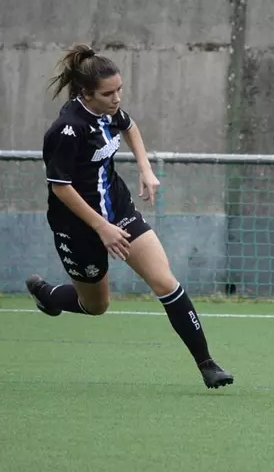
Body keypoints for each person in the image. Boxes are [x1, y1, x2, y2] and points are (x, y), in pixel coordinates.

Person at [25, 44, 234, 389]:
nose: (117, 98)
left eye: (120, 89)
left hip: (119, 211)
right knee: (96, 306)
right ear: (86, 94)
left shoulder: (108, 111)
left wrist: (145, 168)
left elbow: (130, 125)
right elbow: (61, 188)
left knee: (165, 282)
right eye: (108, 93)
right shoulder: (66, 130)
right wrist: (101, 228)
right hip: (78, 228)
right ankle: (47, 295)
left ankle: (207, 365)